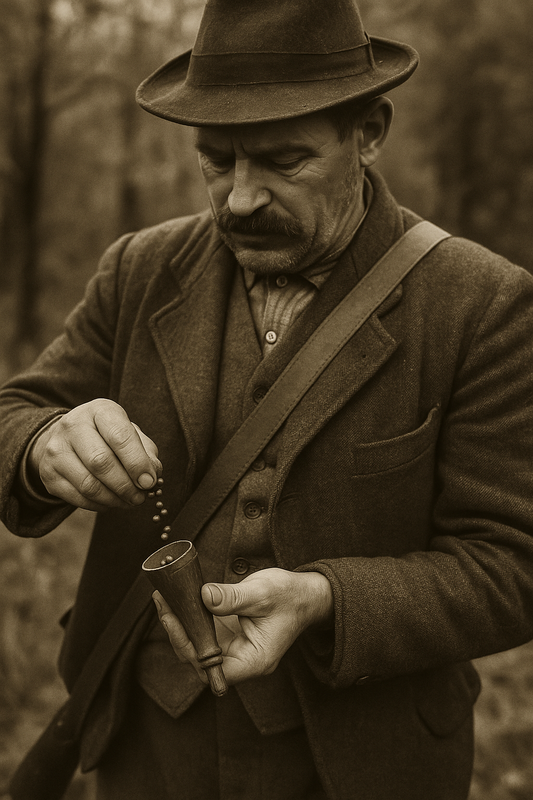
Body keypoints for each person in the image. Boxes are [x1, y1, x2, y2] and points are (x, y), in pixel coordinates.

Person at [2, 0, 533, 798]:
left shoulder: (480, 305)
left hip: (362, 765)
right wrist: (44, 444)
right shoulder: (138, 270)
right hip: (147, 747)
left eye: (283, 162)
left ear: (369, 131)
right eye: (216, 160)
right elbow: (15, 414)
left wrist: (326, 599)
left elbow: (512, 566)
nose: (240, 199)